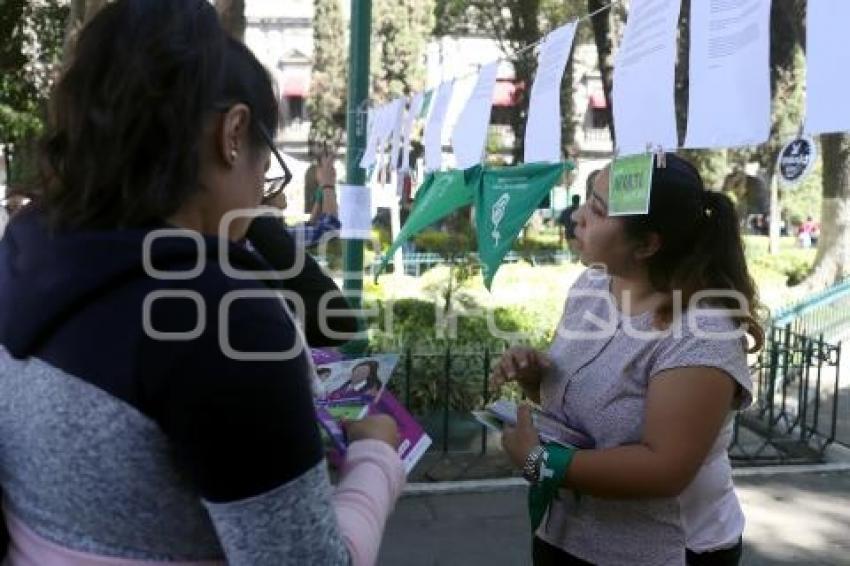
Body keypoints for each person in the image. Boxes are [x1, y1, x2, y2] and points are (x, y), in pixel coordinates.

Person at [0, 2, 403, 565]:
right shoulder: (218, 318)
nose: (263, 186)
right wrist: (377, 463)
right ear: (233, 133)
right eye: (267, 164)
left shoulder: (24, 253)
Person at [491, 153, 763, 566]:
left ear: (648, 244)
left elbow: (664, 468)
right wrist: (536, 377)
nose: (578, 216)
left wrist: (540, 461)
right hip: (564, 532)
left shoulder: (702, 331)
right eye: (587, 199)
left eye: (597, 210)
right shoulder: (592, 286)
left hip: (662, 550)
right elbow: (582, 409)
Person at [558, 194, 581, 259]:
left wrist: (560, 237)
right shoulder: (581, 211)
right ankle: (575, 261)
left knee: (572, 251)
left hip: (568, 234)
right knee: (577, 253)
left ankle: (574, 261)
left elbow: (560, 225)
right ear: (579, 200)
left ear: (572, 200)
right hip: (579, 234)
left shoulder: (565, 211)